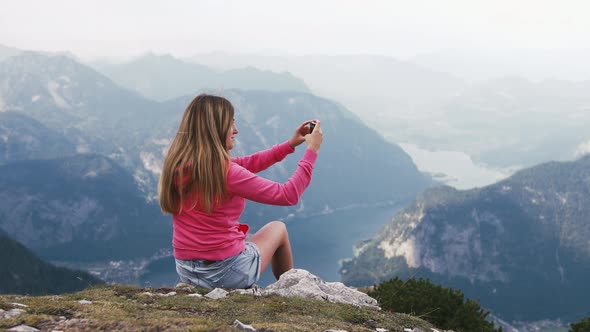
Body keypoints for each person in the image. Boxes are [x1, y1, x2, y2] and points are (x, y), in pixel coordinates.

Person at [158, 94, 323, 289]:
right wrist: (312, 151)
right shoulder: (224, 172)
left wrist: (289, 145)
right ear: (215, 130)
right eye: (230, 124)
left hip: (187, 270)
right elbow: (288, 195)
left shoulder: (181, 165)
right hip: (224, 274)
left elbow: (246, 164)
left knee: (245, 237)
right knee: (278, 228)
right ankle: (289, 290)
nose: (235, 131)